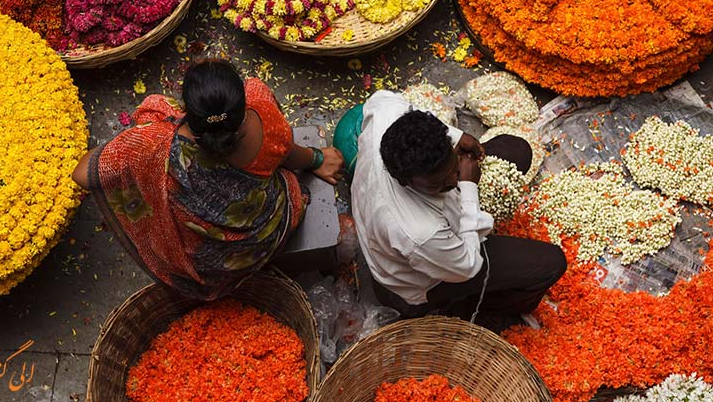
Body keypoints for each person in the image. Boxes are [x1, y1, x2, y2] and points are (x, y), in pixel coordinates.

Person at [72, 59, 344, 300]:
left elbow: (82, 174)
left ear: (188, 112)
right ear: (242, 107)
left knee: (154, 107)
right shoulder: (265, 119)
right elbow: (291, 154)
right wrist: (317, 160)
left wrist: (132, 145)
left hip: (199, 256)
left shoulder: (155, 145)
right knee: (277, 168)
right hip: (257, 238)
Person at [351, 90, 566, 331]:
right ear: (404, 181)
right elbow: (468, 265)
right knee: (552, 263)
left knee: (517, 151)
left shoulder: (386, 115)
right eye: (439, 183)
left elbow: (379, 98)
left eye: (454, 166)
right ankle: (478, 306)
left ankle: (446, 169)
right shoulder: (419, 232)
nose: (453, 181)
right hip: (416, 284)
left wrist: (455, 136)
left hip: (424, 241)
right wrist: (468, 187)